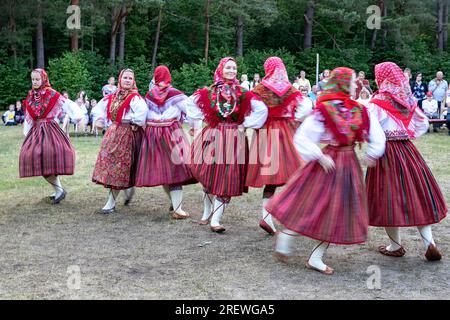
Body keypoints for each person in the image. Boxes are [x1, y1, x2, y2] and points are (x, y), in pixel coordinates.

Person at [265, 67, 386, 275]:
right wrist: (319, 156)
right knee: (313, 205)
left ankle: (315, 257)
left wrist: (373, 154)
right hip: (328, 162)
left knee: (338, 210)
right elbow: (302, 137)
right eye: (351, 80)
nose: (355, 83)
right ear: (342, 83)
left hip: (348, 164)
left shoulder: (359, 108)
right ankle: (287, 237)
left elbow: (377, 134)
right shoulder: (325, 109)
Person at [366, 62, 447, 261]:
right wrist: (405, 133)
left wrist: (371, 151)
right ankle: (430, 243)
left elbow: (371, 131)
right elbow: (422, 124)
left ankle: (395, 245)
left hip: (386, 154)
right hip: (407, 150)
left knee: (388, 199)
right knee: (417, 195)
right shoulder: (407, 100)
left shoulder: (375, 103)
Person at [186, 57, 268, 233]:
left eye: (234, 68)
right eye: (228, 67)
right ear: (221, 69)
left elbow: (262, 109)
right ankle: (207, 212)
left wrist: (245, 124)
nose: (231, 70)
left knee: (227, 178)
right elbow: (190, 103)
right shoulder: (210, 91)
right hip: (213, 135)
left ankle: (215, 220)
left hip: (234, 138)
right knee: (208, 175)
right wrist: (200, 122)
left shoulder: (243, 92)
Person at [246, 57, 309, 235]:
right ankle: (291, 216)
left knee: (272, 179)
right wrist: (294, 119)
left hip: (266, 135)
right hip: (286, 133)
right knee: (294, 174)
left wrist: (249, 123)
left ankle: (267, 217)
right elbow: (305, 108)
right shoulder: (291, 90)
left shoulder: (259, 90)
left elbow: (258, 116)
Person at [135, 66, 195, 219]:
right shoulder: (175, 94)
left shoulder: (149, 95)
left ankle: (175, 205)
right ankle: (178, 209)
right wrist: (194, 126)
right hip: (171, 132)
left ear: (155, 78)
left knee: (164, 170)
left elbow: (143, 115)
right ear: (169, 77)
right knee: (176, 170)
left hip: (153, 134)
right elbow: (191, 110)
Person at [19, 68, 85, 203]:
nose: (35, 82)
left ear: (43, 79)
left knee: (48, 158)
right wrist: (27, 132)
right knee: (34, 158)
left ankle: (59, 190)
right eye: (33, 79)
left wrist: (78, 117)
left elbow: (67, 104)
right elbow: (28, 116)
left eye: (37, 79)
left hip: (50, 130)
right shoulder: (31, 96)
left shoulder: (52, 94)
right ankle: (59, 189)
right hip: (36, 131)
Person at [92, 69, 148, 214]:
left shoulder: (135, 98)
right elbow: (99, 109)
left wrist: (136, 122)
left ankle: (111, 202)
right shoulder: (112, 97)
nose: (128, 80)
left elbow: (142, 113)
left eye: (130, 78)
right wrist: (99, 120)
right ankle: (127, 188)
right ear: (120, 79)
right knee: (111, 166)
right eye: (125, 77)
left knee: (119, 167)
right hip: (113, 133)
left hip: (128, 134)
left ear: (133, 81)